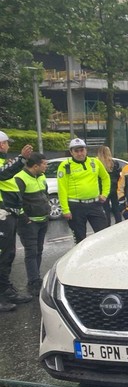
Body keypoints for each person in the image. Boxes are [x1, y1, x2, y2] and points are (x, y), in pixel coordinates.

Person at [0, 131, 34, 308]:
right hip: (1, 213)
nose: (8, 146)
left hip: (8, 212)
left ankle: (6, 290)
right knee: (2, 254)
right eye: (6, 143)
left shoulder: (3, 162)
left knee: (9, 254)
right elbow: (3, 175)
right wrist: (21, 158)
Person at [57, 138, 110, 243]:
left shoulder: (95, 162)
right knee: (80, 238)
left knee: (103, 234)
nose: (80, 153)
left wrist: (104, 194)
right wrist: (65, 209)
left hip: (95, 204)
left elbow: (105, 178)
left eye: (82, 150)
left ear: (86, 150)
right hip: (76, 206)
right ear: (71, 152)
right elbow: (62, 188)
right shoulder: (65, 166)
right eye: (76, 151)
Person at [14, 153, 49, 293]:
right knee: (31, 252)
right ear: (35, 166)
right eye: (44, 164)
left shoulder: (41, 176)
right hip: (29, 223)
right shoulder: (20, 178)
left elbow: (44, 194)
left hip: (42, 220)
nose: (46, 166)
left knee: (38, 250)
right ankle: (33, 282)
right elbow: (16, 201)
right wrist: (25, 219)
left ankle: (36, 278)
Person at [97, 145, 122, 223]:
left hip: (103, 189)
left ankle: (107, 225)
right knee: (116, 208)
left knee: (105, 209)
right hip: (114, 187)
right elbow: (119, 175)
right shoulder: (114, 163)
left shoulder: (98, 164)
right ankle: (118, 222)